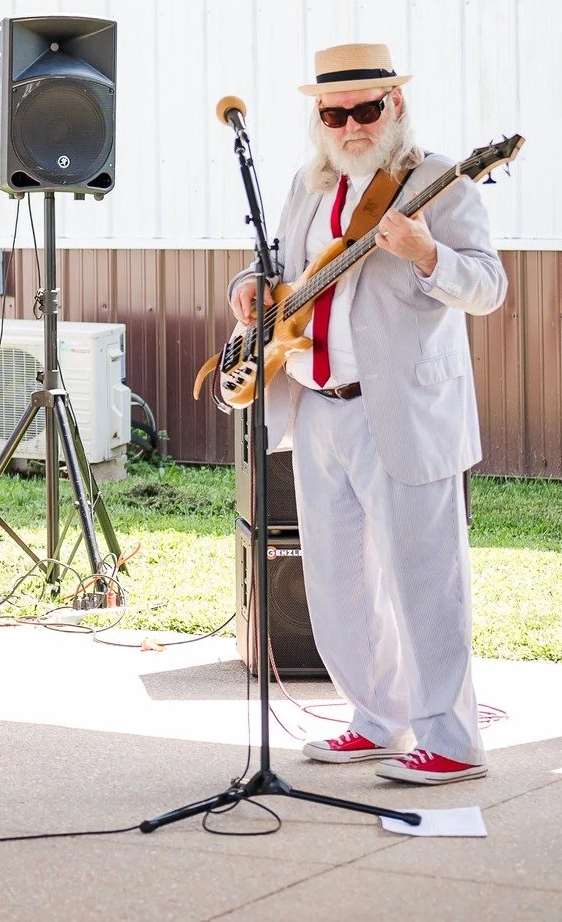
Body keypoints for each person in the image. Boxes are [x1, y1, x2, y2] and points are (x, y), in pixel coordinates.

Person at [229, 43, 506, 786]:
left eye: (366, 108)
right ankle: (379, 718)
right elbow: (279, 268)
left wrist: (424, 254)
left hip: (406, 408)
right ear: (319, 118)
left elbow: (487, 286)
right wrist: (248, 290)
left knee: (425, 576)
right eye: (335, 112)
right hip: (319, 408)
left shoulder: (440, 184)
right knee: (337, 581)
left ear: (397, 106)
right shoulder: (307, 185)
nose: (351, 124)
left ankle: (453, 738)